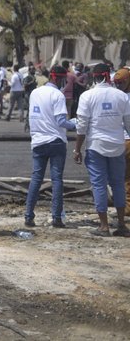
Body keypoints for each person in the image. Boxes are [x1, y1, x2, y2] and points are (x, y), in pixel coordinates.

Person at [73, 63, 130, 237]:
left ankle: (104, 226)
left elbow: (81, 127)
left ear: (93, 76)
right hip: (117, 145)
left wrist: (77, 149)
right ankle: (121, 225)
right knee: (118, 184)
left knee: (99, 185)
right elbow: (128, 123)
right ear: (108, 76)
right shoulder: (121, 96)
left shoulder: (87, 96)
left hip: (96, 145)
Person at [24, 66, 76, 228]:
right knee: (56, 180)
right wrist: (75, 124)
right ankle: (57, 217)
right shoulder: (57, 95)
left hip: (38, 141)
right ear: (58, 78)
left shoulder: (35, 93)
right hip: (55, 141)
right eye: (64, 80)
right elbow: (61, 122)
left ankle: (28, 216)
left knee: (36, 179)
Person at [113, 67, 130, 209]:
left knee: (124, 177)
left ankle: (127, 207)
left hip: (122, 141)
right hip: (124, 141)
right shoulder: (122, 97)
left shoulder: (118, 97)